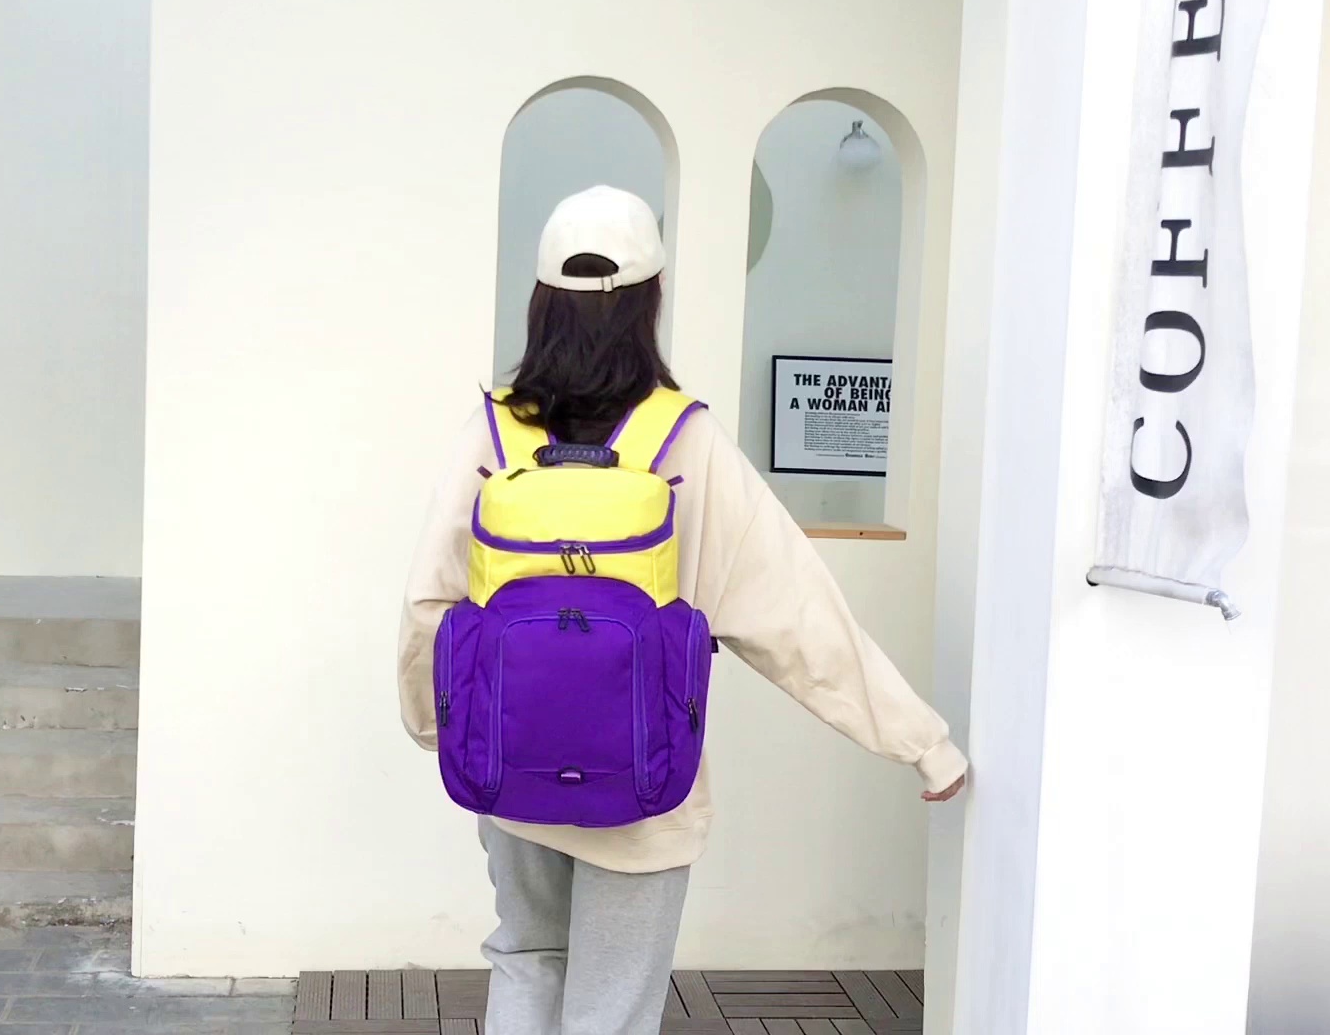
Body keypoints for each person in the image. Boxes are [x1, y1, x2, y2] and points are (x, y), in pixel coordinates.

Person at [397, 185, 966, 1035]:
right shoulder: (683, 440)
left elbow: (428, 602)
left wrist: (436, 724)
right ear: (650, 299)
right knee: (614, 1003)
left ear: (541, 301)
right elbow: (796, 613)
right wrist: (922, 743)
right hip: (643, 774)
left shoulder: (496, 432)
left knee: (527, 958)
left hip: (512, 762)